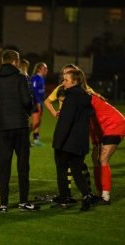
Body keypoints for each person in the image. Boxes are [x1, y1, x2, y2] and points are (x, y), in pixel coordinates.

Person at [0, 50, 39, 212]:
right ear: (15, 62)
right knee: (23, 166)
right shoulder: (21, 79)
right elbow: (27, 101)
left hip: (2, 129)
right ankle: (23, 201)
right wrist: (28, 112)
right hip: (20, 127)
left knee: (3, 166)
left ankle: (3, 203)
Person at [52, 69, 94, 211]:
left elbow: (66, 122)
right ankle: (86, 195)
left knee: (62, 169)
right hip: (80, 142)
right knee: (77, 171)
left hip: (67, 142)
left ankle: (64, 198)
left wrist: (58, 143)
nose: (63, 83)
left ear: (74, 82)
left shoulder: (71, 97)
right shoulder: (86, 96)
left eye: (66, 80)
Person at [89, 92, 125, 205]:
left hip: (115, 125)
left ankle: (106, 196)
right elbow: (92, 123)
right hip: (104, 129)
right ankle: (99, 192)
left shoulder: (86, 99)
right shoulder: (84, 99)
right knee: (95, 158)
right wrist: (95, 142)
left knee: (103, 159)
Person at [30, 62, 48, 146]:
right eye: (45, 68)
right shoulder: (35, 78)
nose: (46, 70)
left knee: (39, 121)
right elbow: (34, 92)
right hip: (35, 102)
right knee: (35, 122)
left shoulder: (42, 78)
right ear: (39, 69)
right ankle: (25, 136)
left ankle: (36, 139)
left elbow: (41, 92)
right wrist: (37, 103)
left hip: (40, 102)